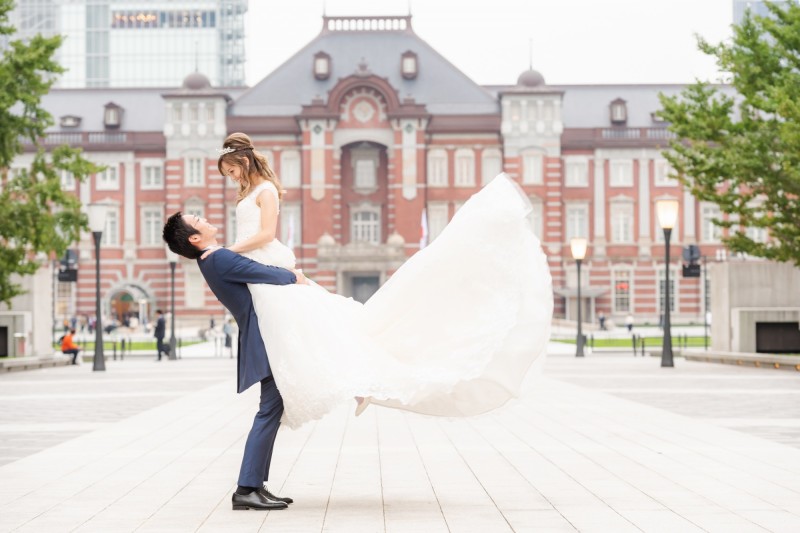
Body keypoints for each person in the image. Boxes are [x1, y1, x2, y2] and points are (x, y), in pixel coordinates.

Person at [203, 132, 552, 429]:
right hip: (256, 261)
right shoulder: (251, 191)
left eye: (231, 170)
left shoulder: (264, 189)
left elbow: (266, 232)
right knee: (311, 325)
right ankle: (355, 380)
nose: (231, 177)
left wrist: (227, 250)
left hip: (265, 258)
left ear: (244, 163)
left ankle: (360, 379)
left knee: (316, 323)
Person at [163, 210, 306, 512]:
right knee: (268, 412)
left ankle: (256, 485)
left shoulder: (211, 259)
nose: (204, 218)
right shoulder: (218, 258)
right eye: (197, 220)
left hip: (261, 337)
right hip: (265, 339)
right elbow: (265, 273)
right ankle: (246, 488)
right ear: (194, 238)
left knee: (271, 410)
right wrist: (294, 275)